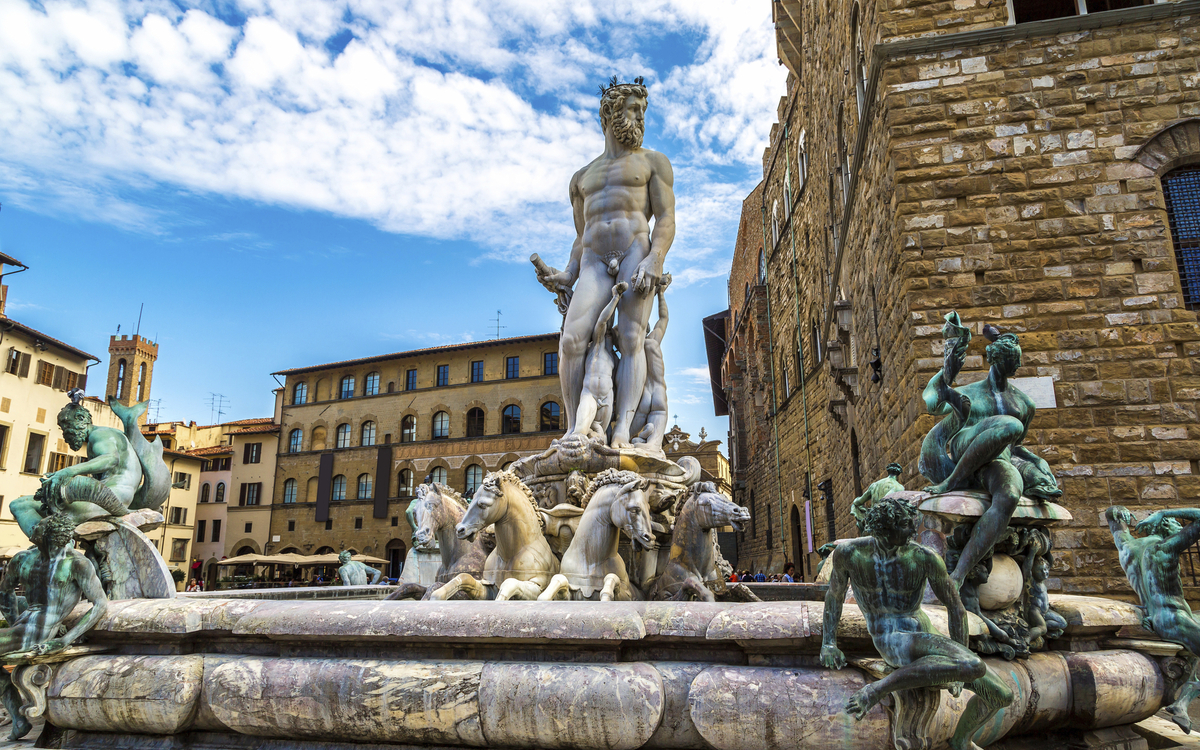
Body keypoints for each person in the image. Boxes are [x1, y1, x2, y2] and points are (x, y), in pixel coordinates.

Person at [534, 76, 676, 448]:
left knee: (631, 337)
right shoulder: (581, 178)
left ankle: (622, 431)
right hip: (596, 261)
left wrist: (655, 260)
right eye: (634, 109)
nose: (641, 118)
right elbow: (582, 237)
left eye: (643, 111)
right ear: (611, 113)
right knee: (571, 341)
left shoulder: (653, 163)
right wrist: (566, 274)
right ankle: (574, 430)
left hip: (635, 253)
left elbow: (665, 219)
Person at [821, 497, 1012, 750]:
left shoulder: (924, 557)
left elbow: (956, 610)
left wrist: (957, 662)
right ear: (883, 528)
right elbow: (834, 596)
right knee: (971, 664)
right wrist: (829, 643)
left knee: (1002, 695)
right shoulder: (850, 553)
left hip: (923, 633)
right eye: (904, 525)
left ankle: (961, 741)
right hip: (891, 638)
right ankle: (876, 690)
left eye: (911, 523)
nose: (912, 530)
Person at [920, 314, 1059, 587]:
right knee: (1009, 424)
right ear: (996, 359)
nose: (1017, 365)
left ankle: (958, 575)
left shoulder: (1024, 403)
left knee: (1009, 495)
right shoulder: (972, 393)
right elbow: (933, 405)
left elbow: (1015, 448)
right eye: (1012, 360)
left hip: (996, 461)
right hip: (964, 447)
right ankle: (953, 480)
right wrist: (948, 373)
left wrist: (1037, 464)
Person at [0, 513, 110, 739]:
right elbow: (4, 592)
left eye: (39, 525)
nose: (34, 527)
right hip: (24, 628)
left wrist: (65, 639)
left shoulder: (76, 563)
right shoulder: (22, 559)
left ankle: (19, 721)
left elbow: (100, 604)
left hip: (42, 632)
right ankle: (19, 721)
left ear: (49, 534)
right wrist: (15, 624)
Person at [1106, 506, 1200, 733]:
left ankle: (1184, 699)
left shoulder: (1128, 546)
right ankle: (1181, 703)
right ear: (1165, 527)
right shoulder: (1165, 549)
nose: (1180, 527)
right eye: (1176, 524)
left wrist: (1116, 510)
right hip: (1174, 619)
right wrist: (1164, 513)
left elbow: (1113, 518)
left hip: (1159, 619)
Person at [566, 282, 627, 442]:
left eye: (610, 335)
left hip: (607, 398)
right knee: (579, 432)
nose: (606, 334)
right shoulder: (596, 346)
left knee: (602, 439)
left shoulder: (614, 358)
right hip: (590, 395)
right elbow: (601, 322)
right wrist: (615, 298)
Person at [630, 274, 672, 453]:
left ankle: (634, 439)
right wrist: (660, 293)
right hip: (659, 391)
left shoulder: (632, 346)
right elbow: (664, 319)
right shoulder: (652, 341)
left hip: (643, 395)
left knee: (625, 438)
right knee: (655, 445)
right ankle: (651, 442)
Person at [850, 463, 905, 534]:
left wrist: (855, 502)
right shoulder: (900, 487)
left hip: (872, 524)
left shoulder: (874, 485)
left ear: (888, 472)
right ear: (898, 474)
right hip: (887, 527)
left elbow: (859, 501)